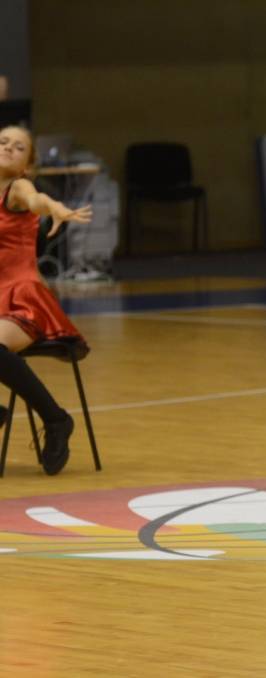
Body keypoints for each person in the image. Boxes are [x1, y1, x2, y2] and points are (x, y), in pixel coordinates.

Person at [0, 126, 92, 475]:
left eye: (18, 147)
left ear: (27, 164)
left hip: (22, 297)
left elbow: (38, 200)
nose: (8, 148)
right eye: (3, 142)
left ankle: (55, 420)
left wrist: (54, 207)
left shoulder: (18, 189)